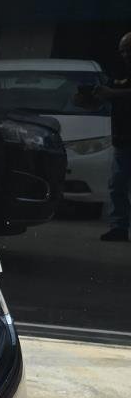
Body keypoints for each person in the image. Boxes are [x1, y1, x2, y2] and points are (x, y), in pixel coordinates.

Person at [78, 31, 131, 241]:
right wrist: (86, 98)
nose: (125, 55)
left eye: (128, 51)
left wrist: (111, 94)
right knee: (117, 185)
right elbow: (99, 102)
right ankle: (119, 227)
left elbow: (115, 95)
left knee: (118, 184)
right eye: (123, 51)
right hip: (123, 141)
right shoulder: (119, 75)